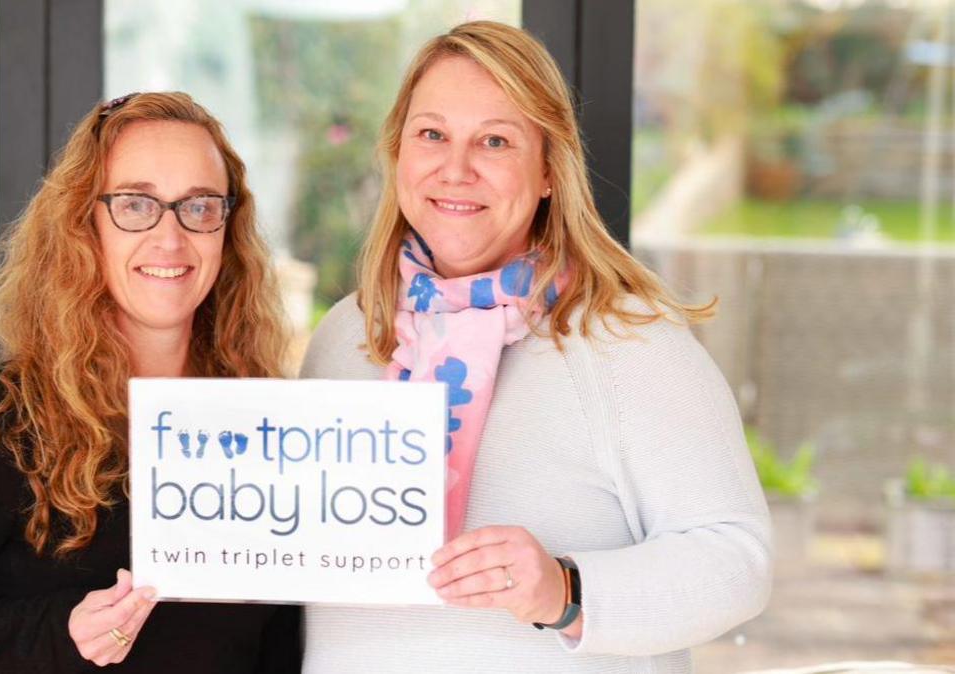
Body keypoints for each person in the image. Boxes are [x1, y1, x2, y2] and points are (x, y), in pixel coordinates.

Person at [300, 21, 771, 673]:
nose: (455, 168)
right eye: (432, 134)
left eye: (495, 141)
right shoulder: (348, 335)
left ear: (549, 171)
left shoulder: (625, 338)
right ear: (397, 153)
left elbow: (737, 561)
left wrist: (567, 590)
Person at [0, 92, 301, 673]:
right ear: (85, 223)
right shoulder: (2, 418)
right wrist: (59, 629)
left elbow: (281, 638)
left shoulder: (264, 419)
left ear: (227, 226)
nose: (170, 237)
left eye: (198, 206)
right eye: (136, 204)